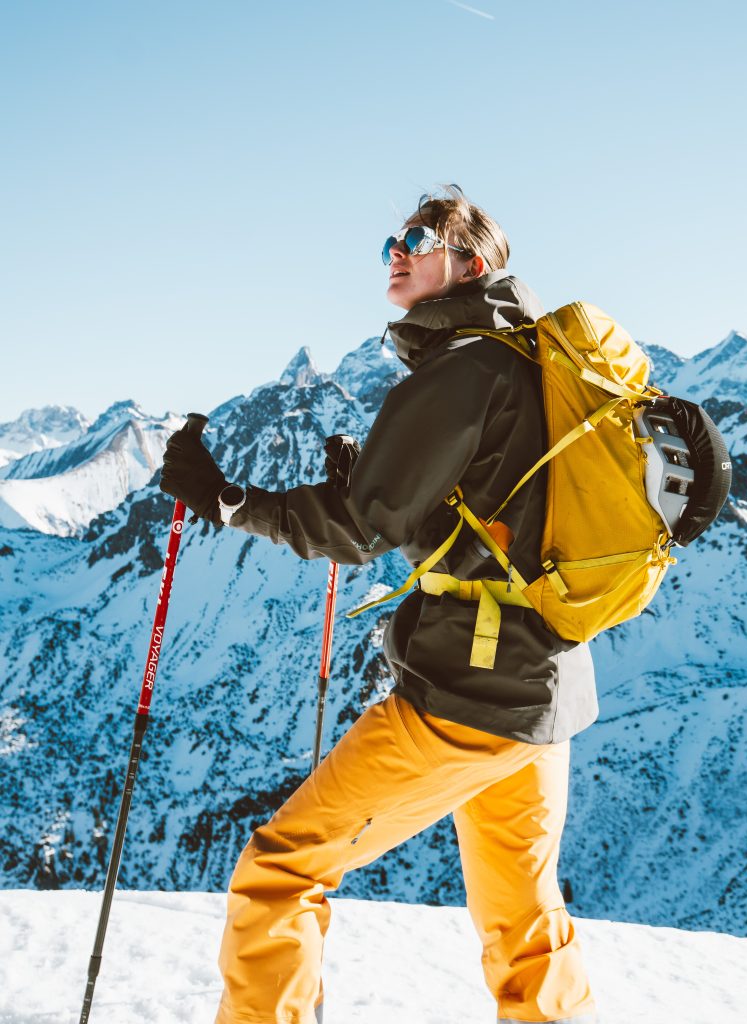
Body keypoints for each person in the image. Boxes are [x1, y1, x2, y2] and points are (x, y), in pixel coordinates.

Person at [160, 185, 599, 1024]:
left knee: (278, 873)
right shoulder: (533, 360)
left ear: (469, 263)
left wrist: (224, 499)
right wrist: (383, 482)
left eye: (418, 237)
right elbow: (491, 519)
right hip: (546, 687)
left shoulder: (464, 365)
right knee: (524, 925)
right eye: (391, 239)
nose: (396, 250)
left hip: (468, 690)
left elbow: (361, 530)